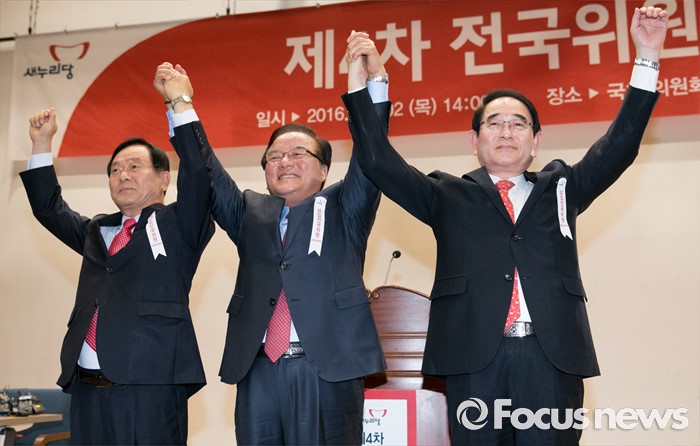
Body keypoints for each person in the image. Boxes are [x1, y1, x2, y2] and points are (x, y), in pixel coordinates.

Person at [343, 7, 668, 445]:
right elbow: (378, 161)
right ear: (474, 141)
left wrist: (647, 55)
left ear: (536, 142)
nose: (506, 132)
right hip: (475, 362)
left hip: (551, 359)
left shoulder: (563, 187)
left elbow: (621, 145)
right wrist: (369, 84)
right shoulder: (446, 194)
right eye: (493, 124)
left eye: (518, 124)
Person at [152, 42, 390, 444]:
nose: (284, 161)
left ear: (324, 169)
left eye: (298, 153)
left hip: (326, 369)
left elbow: (372, 154)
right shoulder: (249, 211)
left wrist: (371, 84)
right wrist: (181, 103)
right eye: (274, 156)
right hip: (258, 368)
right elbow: (207, 172)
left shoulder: (345, 206)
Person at [19, 107, 214, 445]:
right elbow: (49, 208)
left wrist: (178, 106)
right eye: (115, 170)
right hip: (87, 389)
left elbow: (198, 174)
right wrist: (41, 144)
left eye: (134, 167)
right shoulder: (97, 230)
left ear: (164, 179)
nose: (123, 175)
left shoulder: (180, 224)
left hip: (150, 389)